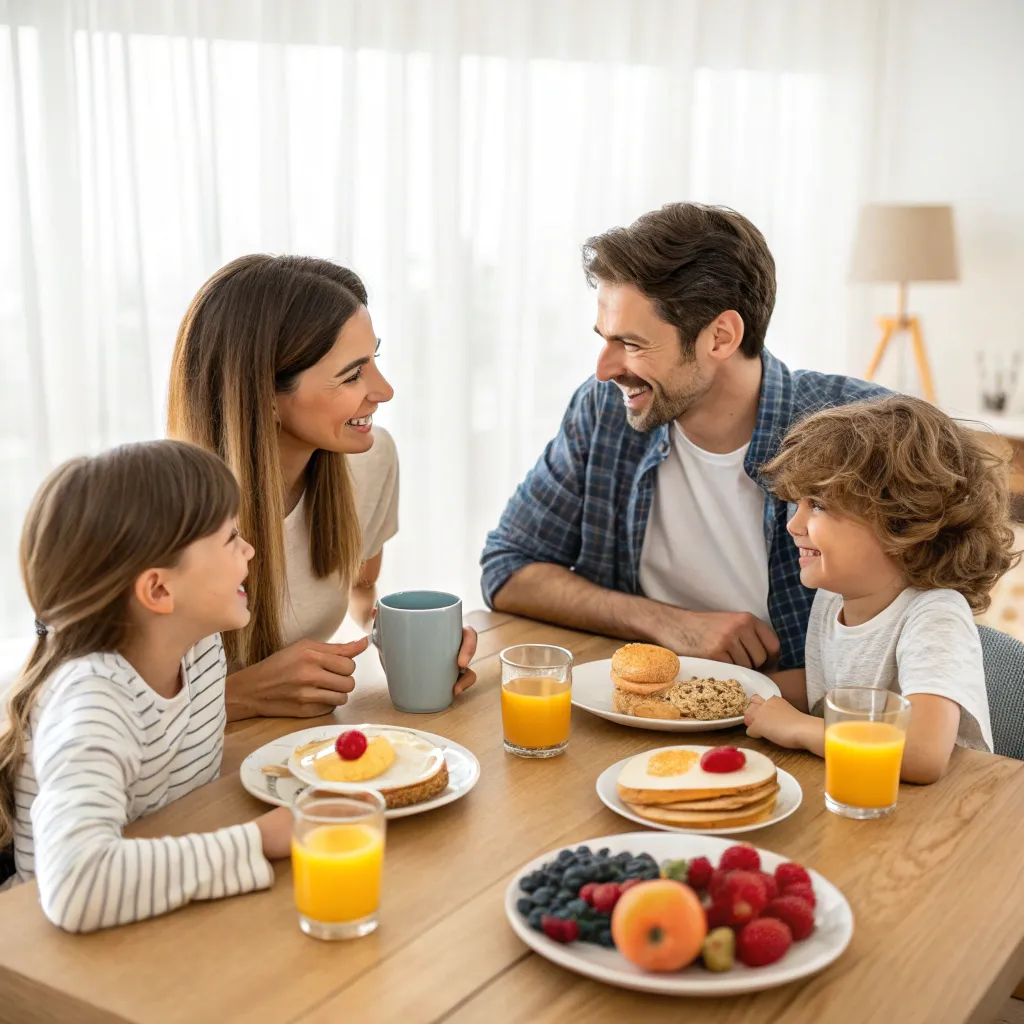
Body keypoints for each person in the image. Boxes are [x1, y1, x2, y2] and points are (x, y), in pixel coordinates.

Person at [481, 202, 886, 672]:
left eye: (631, 344)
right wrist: (669, 623)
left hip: (805, 728)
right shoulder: (604, 410)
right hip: (639, 712)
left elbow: (950, 587)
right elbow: (508, 568)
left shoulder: (859, 429)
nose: (604, 370)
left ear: (720, 337)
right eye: (605, 338)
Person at [168, 256, 477, 720]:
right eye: (352, 374)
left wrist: (416, 642)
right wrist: (242, 694)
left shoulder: (369, 461)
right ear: (265, 398)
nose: (384, 389)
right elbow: (82, 711)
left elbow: (361, 590)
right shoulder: (159, 508)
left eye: (375, 359)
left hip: (299, 752)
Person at [0, 441, 293, 929]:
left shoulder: (199, 651)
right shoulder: (93, 699)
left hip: (155, 917)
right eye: (231, 538)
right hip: (49, 955)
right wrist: (259, 841)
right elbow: (78, 885)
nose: (251, 550)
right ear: (159, 590)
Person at [743, 397, 1017, 781]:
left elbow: (922, 753)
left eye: (818, 504)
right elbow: (827, 690)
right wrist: (737, 689)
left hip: (938, 821)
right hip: (860, 794)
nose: (794, 524)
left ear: (899, 521)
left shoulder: (935, 615)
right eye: (798, 504)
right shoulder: (833, 599)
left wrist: (800, 728)